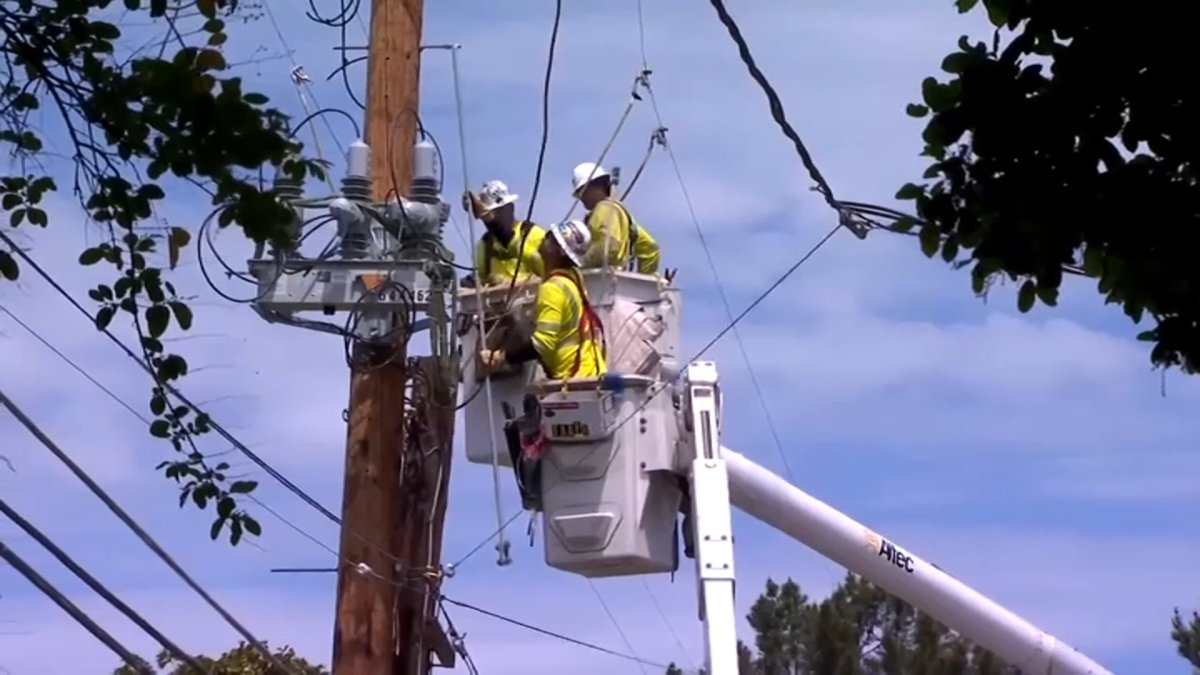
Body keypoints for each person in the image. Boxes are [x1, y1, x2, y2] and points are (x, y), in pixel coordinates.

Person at [479, 219, 606, 381]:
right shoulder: (573, 276)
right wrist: (490, 220)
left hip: (573, 377)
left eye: (550, 237)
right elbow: (521, 250)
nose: (543, 238)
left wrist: (500, 357)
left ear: (559, 251)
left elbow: (543, 344)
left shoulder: (553, 288)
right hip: (590, 371)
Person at [570, 161, 661, 274]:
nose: (580, 197)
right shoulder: (621, 216)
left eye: (581, 192)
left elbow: (608, 247)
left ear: (595, 186)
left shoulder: (605, 208)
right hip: (613, 281)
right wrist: (644, 281)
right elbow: (651, 248)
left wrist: (577, 264)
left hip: (602, 283)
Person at [462, 180, 546, 287]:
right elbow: (482, 280)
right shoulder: (485, 245)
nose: (493, 218)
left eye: (498, 212)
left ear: (510, 208)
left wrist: (506, 283)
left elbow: (551, 275)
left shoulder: (535, 235)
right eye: (489, 214)